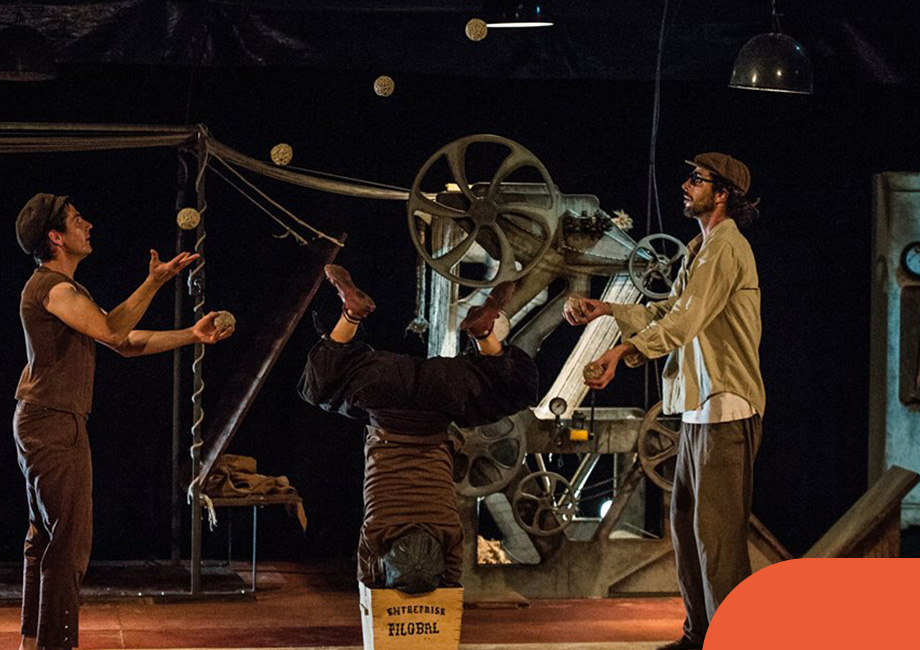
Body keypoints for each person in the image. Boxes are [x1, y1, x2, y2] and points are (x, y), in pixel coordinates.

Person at [13, 193, 234, 650]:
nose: (88, 224)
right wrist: (153, 282)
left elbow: (123, 341)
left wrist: (191, 335)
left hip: (49, 420)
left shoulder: (67, 291)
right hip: (52, 424)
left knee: (46, 537)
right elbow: (113, 330)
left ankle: (33, 642)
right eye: (77, 220)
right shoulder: (53, 288)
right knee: (68, 543)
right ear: (56, 237)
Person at [564, 153, 764, 650]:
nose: (686, 185)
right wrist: (608, 309)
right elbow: (671, 309)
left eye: (697, 179)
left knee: (717, 539)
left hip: (726, 407)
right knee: (687, 528)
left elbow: (684, 323)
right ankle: (699, 637)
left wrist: (622, 351)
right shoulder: (701, 248)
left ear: (722, 194)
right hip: (699, 407)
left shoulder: (726, 247)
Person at [298, 264, 537, 592]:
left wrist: (439, 586)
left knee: (513, 392)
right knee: (319, 386)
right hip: (383, 389)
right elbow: (367, 579)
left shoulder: (448, 530)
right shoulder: (378, 529)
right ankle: (351, 315)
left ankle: (484, 336)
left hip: (443, 390)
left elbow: (452, 580)